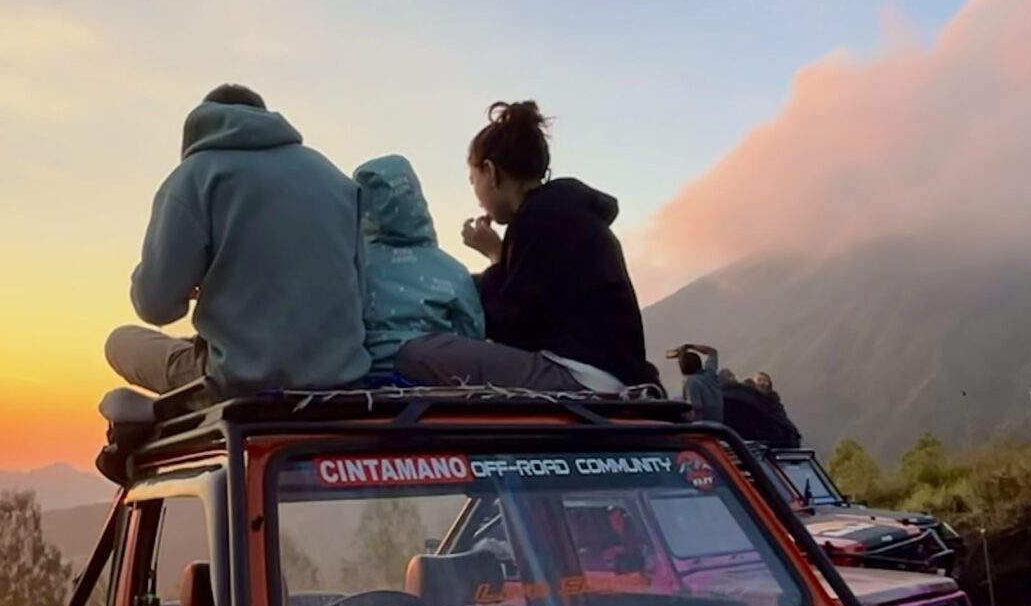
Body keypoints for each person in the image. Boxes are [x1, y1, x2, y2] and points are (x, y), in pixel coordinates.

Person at [104, 85, 370, 398]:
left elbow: (156, 306)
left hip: (240, 378)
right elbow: (361, 294)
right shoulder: (336, 179)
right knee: (196, 343)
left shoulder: (195, 176)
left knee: (120, 342)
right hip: (341, 376)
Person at [394, 99, 659, 394]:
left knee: (414, 355)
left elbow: (512, 328)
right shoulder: (567, 214)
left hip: (580, 375)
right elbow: (533, 305)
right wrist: (499, 258)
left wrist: (496, 259)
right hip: (608, 370)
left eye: (473, 181)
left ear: (491, 173)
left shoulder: (538, 218)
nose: (478, 196)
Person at [354, 154, 484, 371]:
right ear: (418, 201)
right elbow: (473, 333)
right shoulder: (452, 272)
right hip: (437, 382)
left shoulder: (352, 266)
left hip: (366, 381)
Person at [669, 343, 726, 422]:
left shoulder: (691, 381)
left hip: (705, 428)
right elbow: (712, 352)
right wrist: (690, 346)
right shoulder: (710, 373)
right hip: (718, 423)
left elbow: (696, 410)